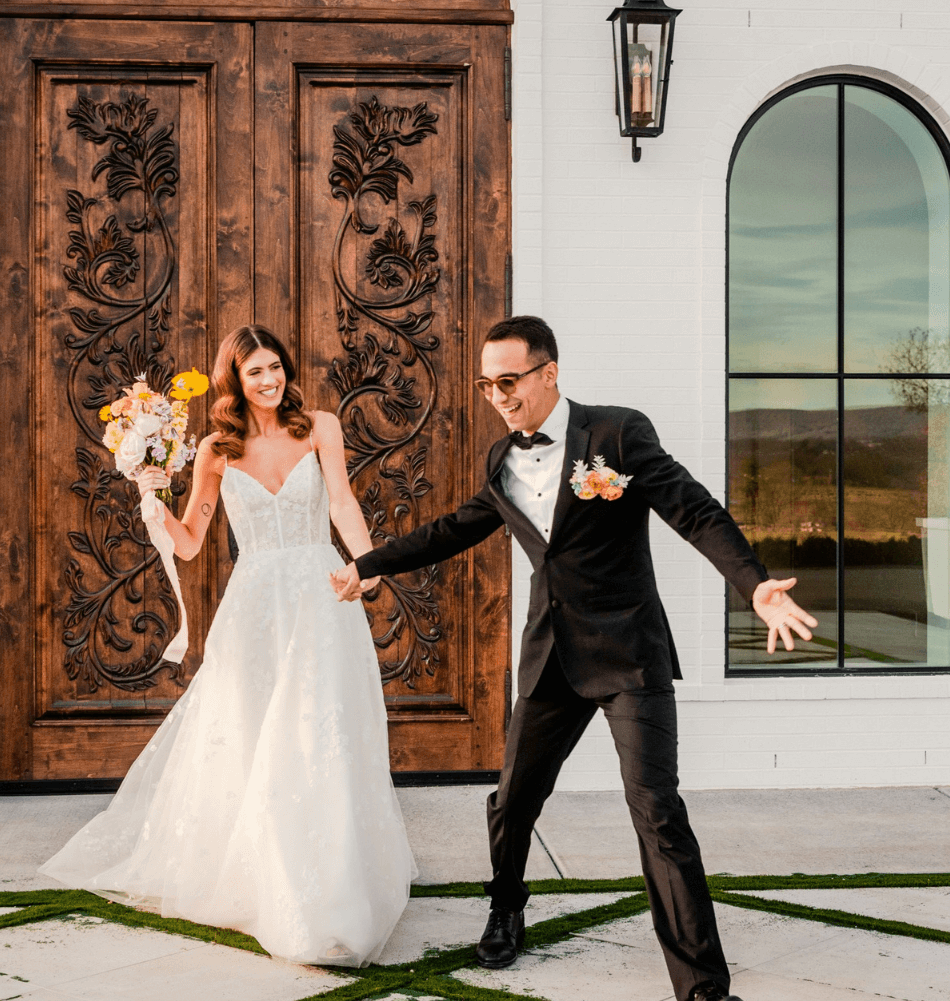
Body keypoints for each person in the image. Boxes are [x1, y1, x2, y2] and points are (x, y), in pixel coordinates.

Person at [331, 315, 817, 1001]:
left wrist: (755, 584)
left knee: (657, 813)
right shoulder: (500, 458)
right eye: (486, 383)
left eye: (509, 380)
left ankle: (704, 988)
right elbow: (456, 528)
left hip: (628, 657)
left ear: (548, 373)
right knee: (514, 799)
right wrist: (370, 564)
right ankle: (506, 907)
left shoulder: (617, 433)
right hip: (551, 658)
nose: (498, 394)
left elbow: (693, 508)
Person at [42, 325, 416, 967]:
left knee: (316, 731)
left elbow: (344, 502)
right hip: (253, 608)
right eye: (255, 373)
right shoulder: (217, 447)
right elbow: (191, 541)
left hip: (319, 596)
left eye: (276, 368)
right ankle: (270, 878)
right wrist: (154, 506)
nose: (269, 381)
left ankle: (331, 883)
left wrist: (369, 562)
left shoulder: (320, 426)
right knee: (254, 735)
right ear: (233, 382)